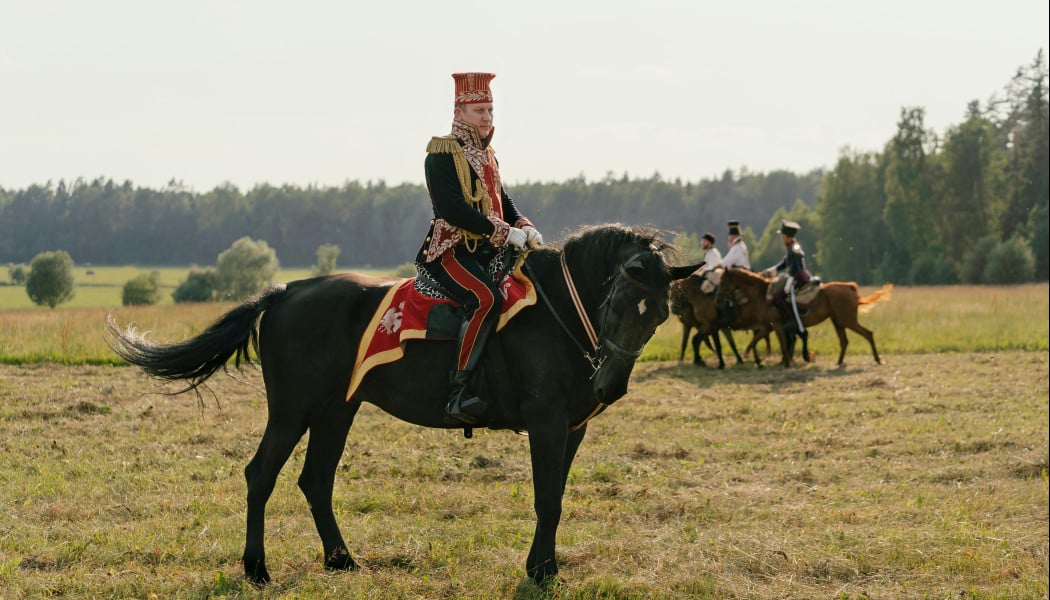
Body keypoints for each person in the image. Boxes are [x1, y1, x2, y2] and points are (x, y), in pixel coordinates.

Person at [415, 72, 542, 425]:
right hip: (454, 250)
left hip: (493, 250)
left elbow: (504, 200)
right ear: (460, 111)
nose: (487, 117)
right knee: (485, 299)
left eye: (490, 109)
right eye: (479, 110)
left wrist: (524, 226)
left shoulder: (489, 156)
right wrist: (502, 232)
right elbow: (453, 209)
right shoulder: (442, 153)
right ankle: (459, 392)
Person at [761, 220, 812, 332]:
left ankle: (791, 320)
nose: (781, 238)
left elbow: (795, 266)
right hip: (793, 276)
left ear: (787, 236)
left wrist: (790, 279)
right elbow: (785, 263)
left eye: (782, 236)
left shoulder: (794, 247)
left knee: (779, 297)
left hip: (797, 277)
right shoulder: (791, 246)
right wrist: (771, 270)